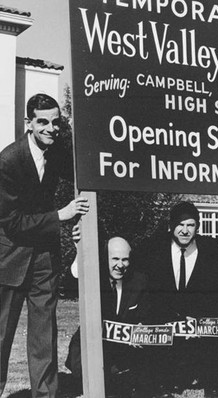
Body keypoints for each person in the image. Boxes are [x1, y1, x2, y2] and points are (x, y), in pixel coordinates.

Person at [0, 93, 89, 398]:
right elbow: (11, 223)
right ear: (29, 123)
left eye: (56, 121)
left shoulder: (58, 151)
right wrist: (61, 216)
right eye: (43, 122)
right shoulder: (9, 161)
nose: (51, 128)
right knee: (1, 337)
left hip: (45, 260)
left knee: (44, 336)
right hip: (11, 257)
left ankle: (46, 395)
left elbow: (84, 169)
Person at [135, 201, 218, 397]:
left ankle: (211, 383)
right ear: (170, 226)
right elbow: (142, 288)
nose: (185, 230)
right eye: (180, 224)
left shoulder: (211, 250)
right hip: (164, 322)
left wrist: (199, 319)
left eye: (190, 225)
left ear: (197, 227)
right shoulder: (153, 248)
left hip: (198, 327)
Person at [65, 236, 149, 396]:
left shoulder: (139, 281)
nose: (120, 265)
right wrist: (80, 252)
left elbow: (147, 313)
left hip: (123, 348)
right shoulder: (95, 277)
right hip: (91, 345)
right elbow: (69, 285)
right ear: (105, 259)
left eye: (125, 260)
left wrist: (141, 327)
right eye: (115, 259)